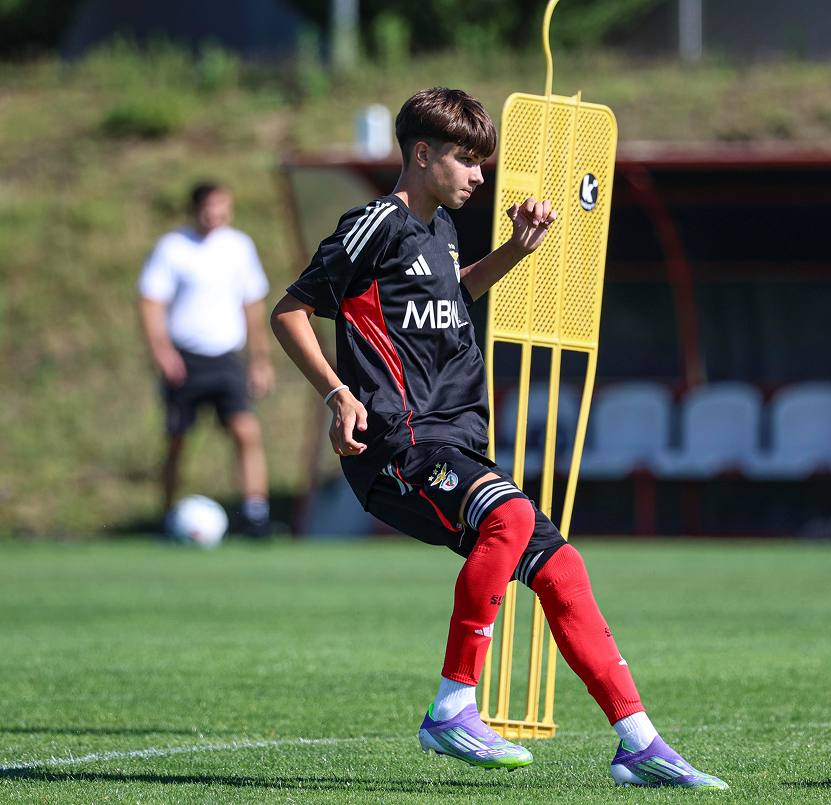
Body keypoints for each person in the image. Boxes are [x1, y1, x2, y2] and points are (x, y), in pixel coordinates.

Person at [270, 87, 727, 789]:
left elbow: (451, 292)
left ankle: (638, 743)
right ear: (421, 155)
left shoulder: (441, 231)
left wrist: (516, 249)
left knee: (561, 568)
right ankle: (453, 705)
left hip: (457, 441)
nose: (480, 175)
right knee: (511, 518)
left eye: (483, 162)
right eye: (467, 160)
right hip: (401, 445)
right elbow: (292, 310)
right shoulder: (374, 224)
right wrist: (337, 395)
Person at [138, 183, 275, 538]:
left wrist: (259, 360)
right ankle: (167, 517)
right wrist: (162, 353)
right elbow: (151, 303)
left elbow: (253, 306)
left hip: (226, 358)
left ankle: (255, 514)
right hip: (184, 360)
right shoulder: (173, 247)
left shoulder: (239, 247)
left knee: (247, 431)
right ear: (195, 209)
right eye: (209, 207)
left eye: (222, 207)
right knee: (177, 439)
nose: (216, 214)